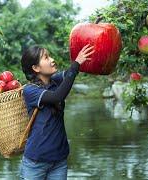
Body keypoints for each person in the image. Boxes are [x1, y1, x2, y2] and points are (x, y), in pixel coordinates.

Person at [19, 43, 95, 180]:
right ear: (35, 68)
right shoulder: (30, 90)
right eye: (46, 58)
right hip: (36, 163)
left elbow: (73, 72)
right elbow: (57, 96)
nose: (52, 60)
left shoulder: (54, 81)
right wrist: (75, 64)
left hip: (59, 160)